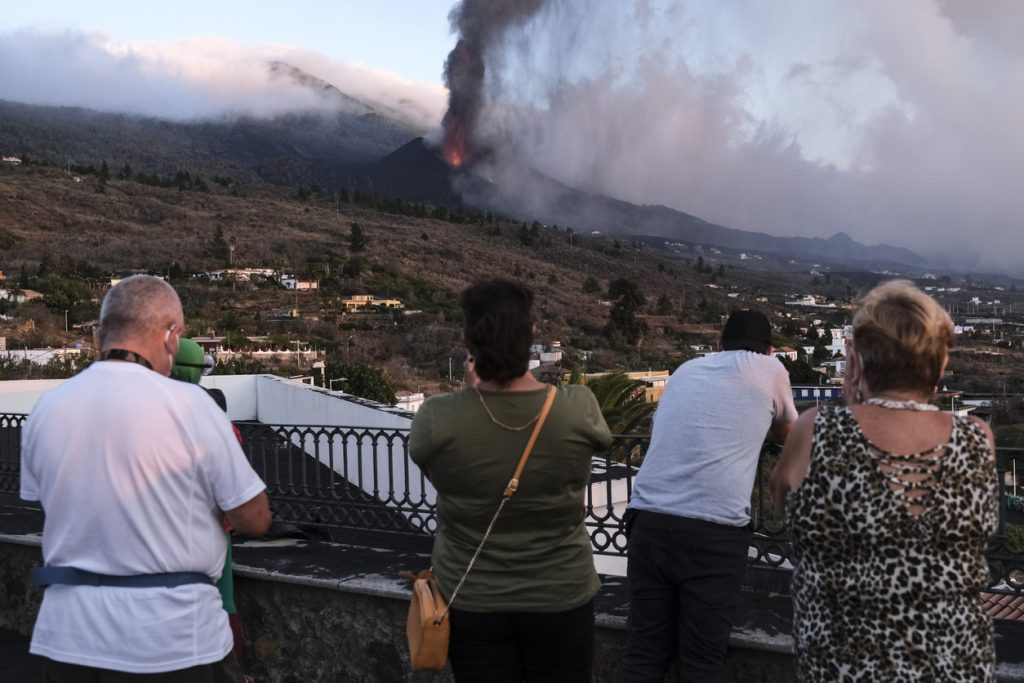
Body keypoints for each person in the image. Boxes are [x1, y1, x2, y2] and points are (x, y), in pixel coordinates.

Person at [20, 275, 271, 681]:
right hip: (172, 641)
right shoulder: (193, 406)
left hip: (69, 638)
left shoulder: (47, 408)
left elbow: (51, 502)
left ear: (102, 333)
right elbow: (253, 519)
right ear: (172, 336)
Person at [770, 280, 997, 681]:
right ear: (941, 365)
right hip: (955, 666)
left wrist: (853, 400)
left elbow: (781, 502)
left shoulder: (816, 431)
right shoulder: (978, 440)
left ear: (853, 360)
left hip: (842, 668)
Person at [409, 279, 612, 682]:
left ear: (469, 340)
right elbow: (601, 441)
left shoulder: (437, 419)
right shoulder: (577, 408)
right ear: (531, 335)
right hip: (560, 594)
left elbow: (433, 465)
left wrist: (474, 394)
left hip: (472, 598)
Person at [619, 309, 797, 682]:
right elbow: (788, 433)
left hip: (647, 520)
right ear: (769, 350)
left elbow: (659, 426)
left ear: (719, 343)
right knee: (703, 660)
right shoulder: (771, 371)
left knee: (643, 652)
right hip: (713, 532)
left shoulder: (687, 369)